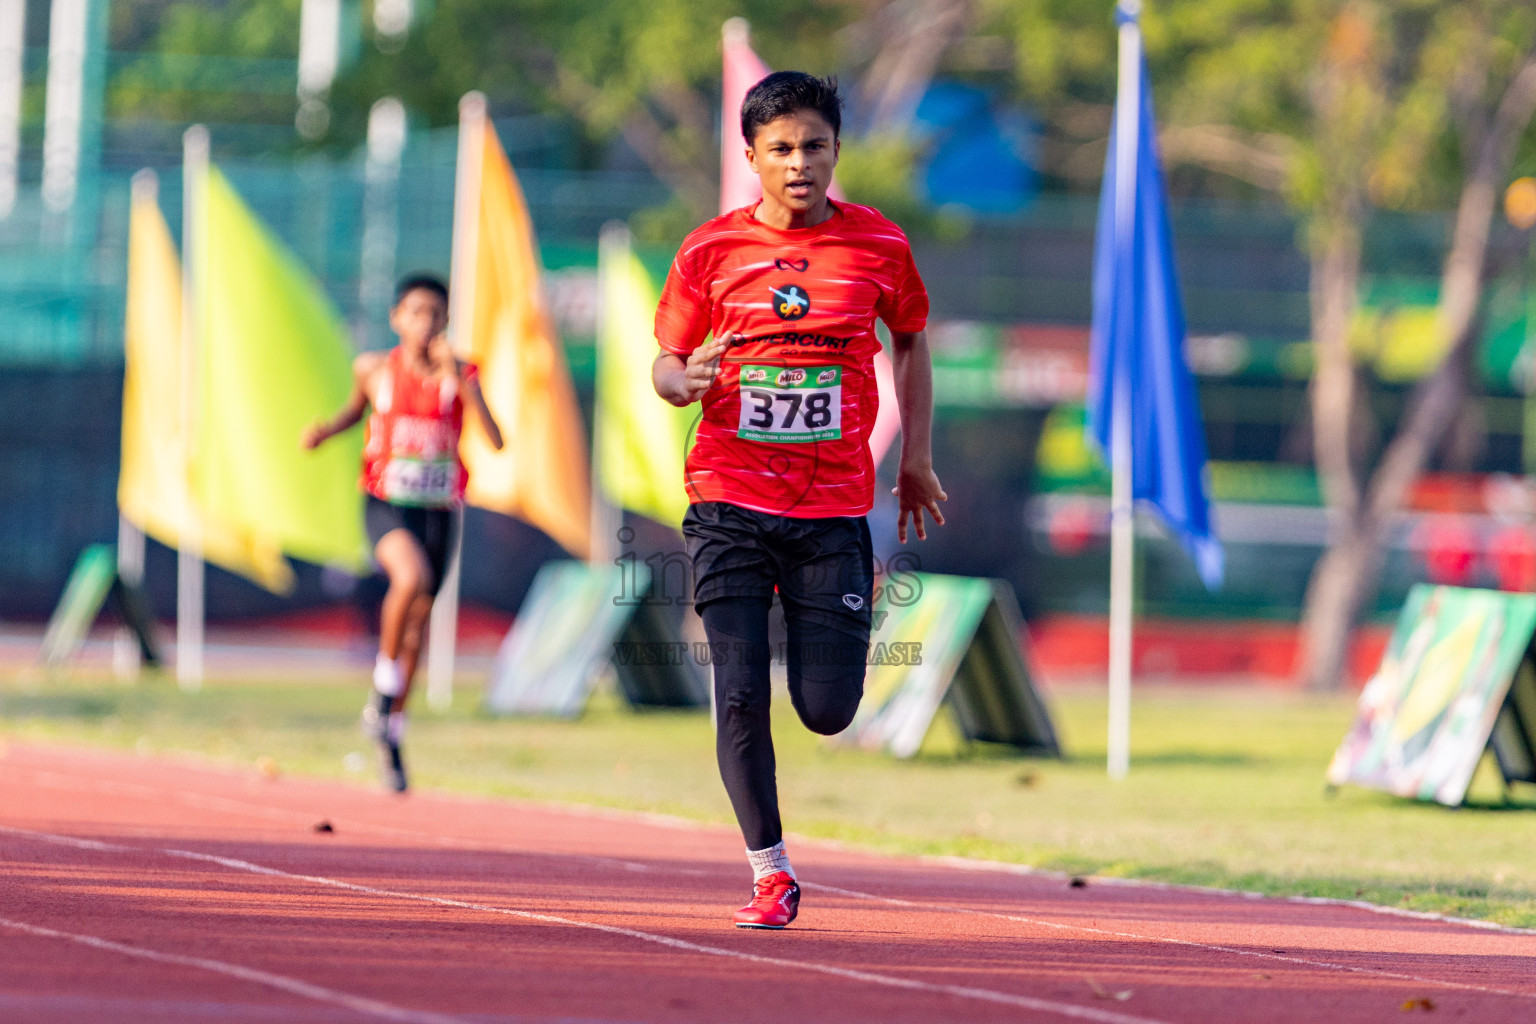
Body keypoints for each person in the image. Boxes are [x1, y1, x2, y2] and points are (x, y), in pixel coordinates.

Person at [652, 71, 945, 929]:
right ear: (751, 157)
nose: (798, 163)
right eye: (779, 149)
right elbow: (665, 360)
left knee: (826, 709)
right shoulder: (709, 252)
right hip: (727, 499)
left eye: (814, 145)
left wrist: (916, 458)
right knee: (739, 690)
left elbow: (914, 339)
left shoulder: (878, 247)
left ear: (836, 153)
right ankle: (770, 871)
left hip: (831, 513)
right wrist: (681, 381)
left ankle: (820, 653)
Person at [303, 273, 502, 792]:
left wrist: (465, 384)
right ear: (397, 318)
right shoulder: (373, 369)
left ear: (447, 322)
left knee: (418, 626)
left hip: (438, 510)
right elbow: (355, 410)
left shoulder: (462, 373)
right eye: (416, 313)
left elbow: (497, 441)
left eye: (436, 315)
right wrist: (325, 431)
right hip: (385, 503)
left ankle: (390, 729)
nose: (426, 324)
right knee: (407, 579)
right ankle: (382, 688)